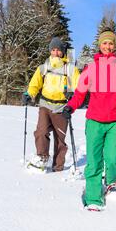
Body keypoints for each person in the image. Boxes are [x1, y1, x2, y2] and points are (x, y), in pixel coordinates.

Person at [62, 29, 116, 211]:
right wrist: (71, 106)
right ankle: (93, 195)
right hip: (94, 120)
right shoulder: (90, 69)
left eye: (111, 43)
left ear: (114, 46)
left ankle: (113, 183)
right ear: (99, 45)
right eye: (104, 43)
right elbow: (80, 93)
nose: (107, 46)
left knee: (112, 157)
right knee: (93, 160)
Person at [23, 37, 80, 172]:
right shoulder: (44, 67)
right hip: (45, 105)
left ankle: (58, 166)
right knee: (41, 131)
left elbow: (79, 87)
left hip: (62, 108)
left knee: (60, 138)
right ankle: (42, 158)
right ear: (50, 51)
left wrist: (71, 95)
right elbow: (35, 84)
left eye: (58, 50)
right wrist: (29, 94)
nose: (56, 53)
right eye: (53, 50)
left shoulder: (70, 69)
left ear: (63, 52)